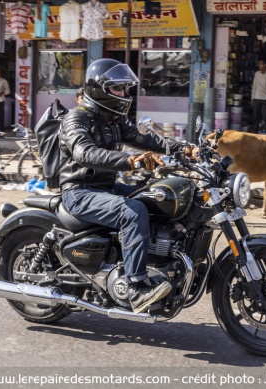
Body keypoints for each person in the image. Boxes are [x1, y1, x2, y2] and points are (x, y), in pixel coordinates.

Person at [58, 58, 196, 314]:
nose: (124, 94)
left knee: (155, 199)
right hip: (79, 192)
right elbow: (84, 152)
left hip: (105, 189)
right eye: (117, 88)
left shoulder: (114, 120)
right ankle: (135, 288)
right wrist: (130, 160)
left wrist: (186, 149)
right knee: (133, 212)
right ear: (99, 88)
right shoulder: (76, 118)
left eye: (125, 89)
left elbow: (146, 139)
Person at [251, 59, 266, 133]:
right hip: (257, 97)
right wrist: (252, 98)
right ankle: (255, 131)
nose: (259, 66)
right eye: (259, 64)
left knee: (265, 117)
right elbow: (254, 86)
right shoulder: (257, 74)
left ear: (265, 65)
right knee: (255, 116)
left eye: (261, 64)